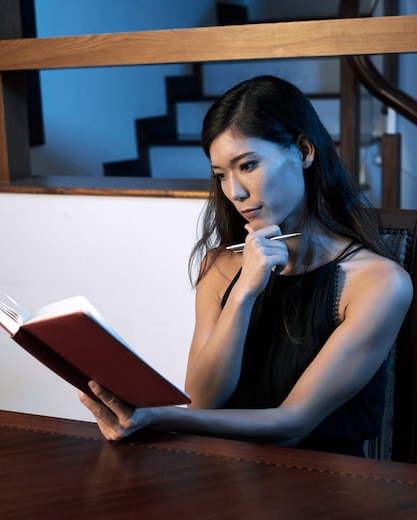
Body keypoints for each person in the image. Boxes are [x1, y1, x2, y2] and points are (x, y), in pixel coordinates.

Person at [79, 75, 413, 456]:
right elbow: (203, 401)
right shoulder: (221, 265)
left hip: (327, 488)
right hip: (228, 477)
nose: (234, 192)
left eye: (248, 165)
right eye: (221, 175)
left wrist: (157, 417)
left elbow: (291, 425)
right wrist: (243, 293)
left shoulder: (379, 283)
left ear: (304, 150)